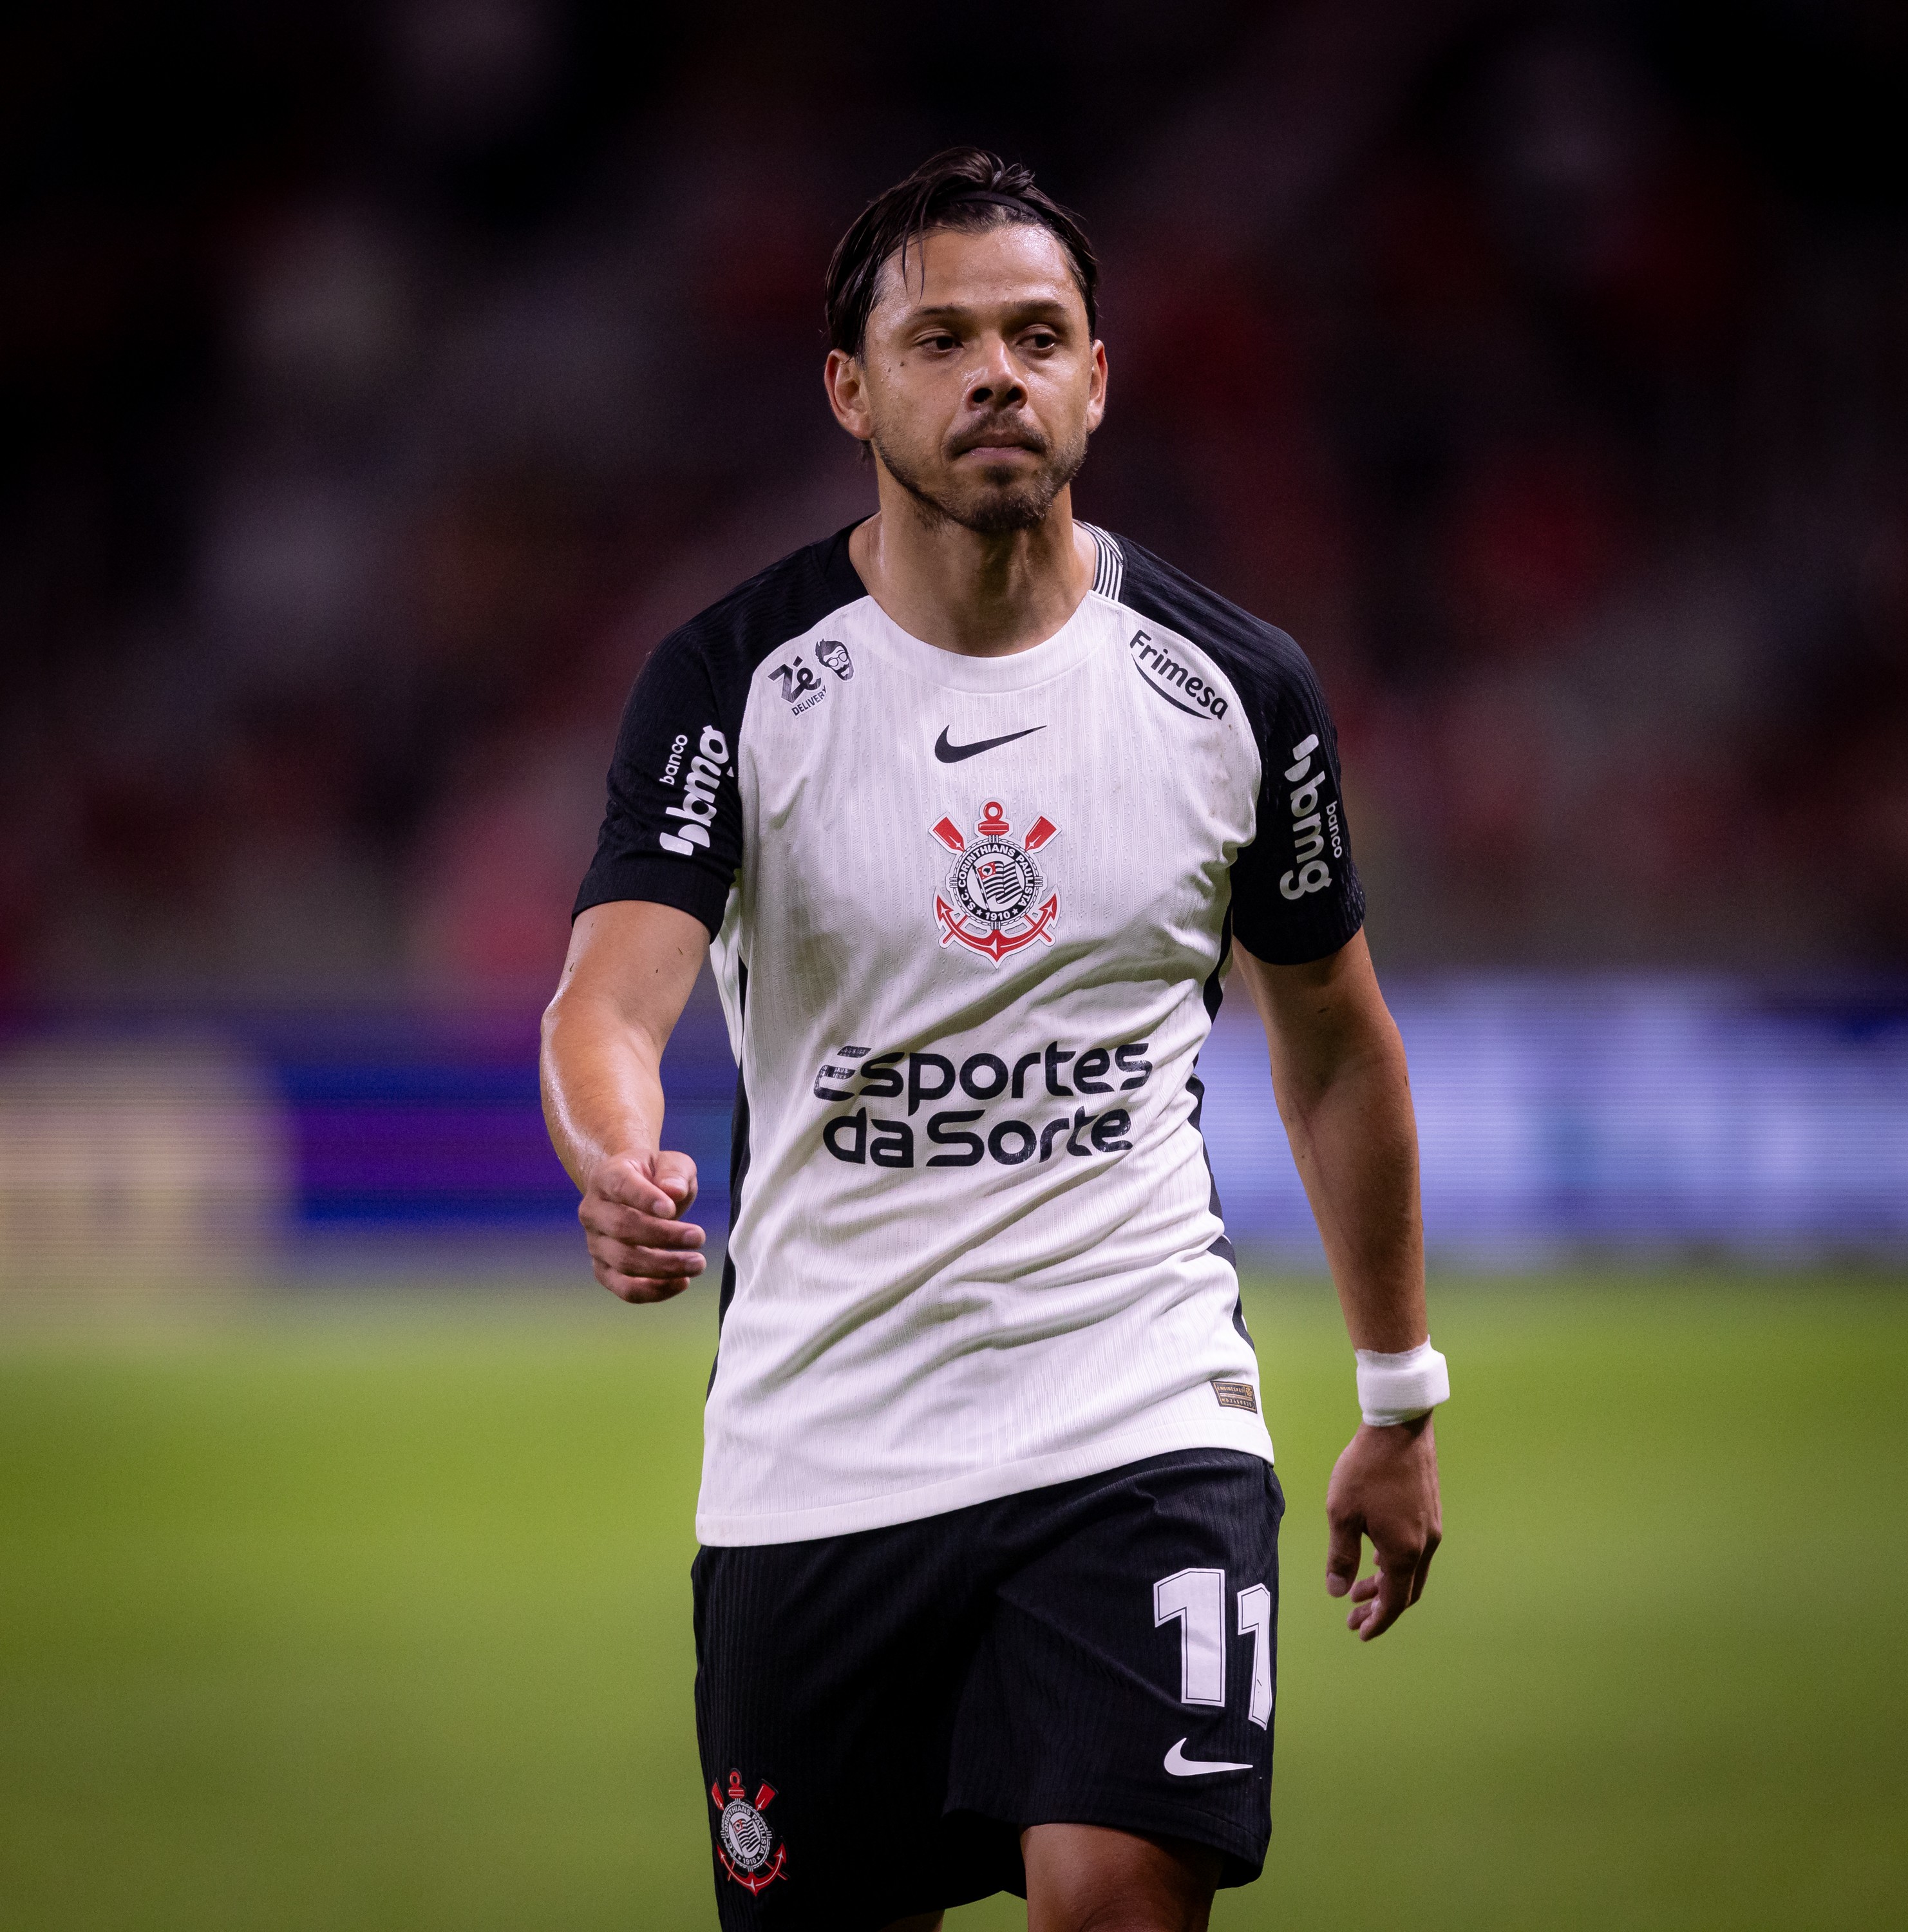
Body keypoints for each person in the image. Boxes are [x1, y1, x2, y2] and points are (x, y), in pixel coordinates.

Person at [540, 147, 1448, 1932]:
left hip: (1135, 1411)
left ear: (1098, 377)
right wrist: (613, 1152)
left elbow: (1339, 1050)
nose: (996, 376)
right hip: (820, 1446)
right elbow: (608, 999)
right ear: (849, 388)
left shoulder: (1234, 690)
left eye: (1038, 337)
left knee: (1116, 1903)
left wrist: (1398, 1396)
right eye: (941, 338)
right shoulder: (735, 682)